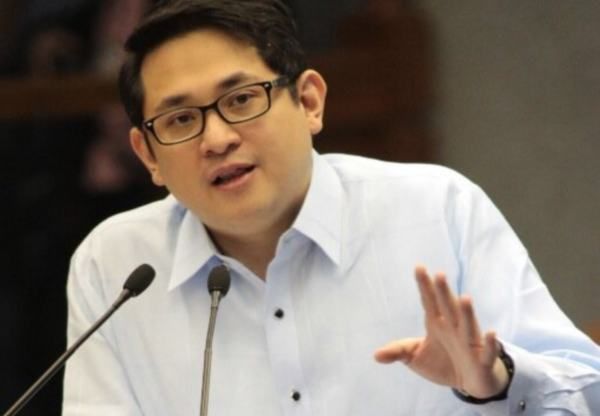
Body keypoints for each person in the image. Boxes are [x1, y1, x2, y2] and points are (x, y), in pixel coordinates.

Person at [62, 0, 600, 414]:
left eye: (241, 99)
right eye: (180, 120)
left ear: (309, 102)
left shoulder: (436, 210)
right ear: (148, 155)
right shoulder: (115, 266)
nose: (217, 139)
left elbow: (586, 394)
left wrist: (498, 381)